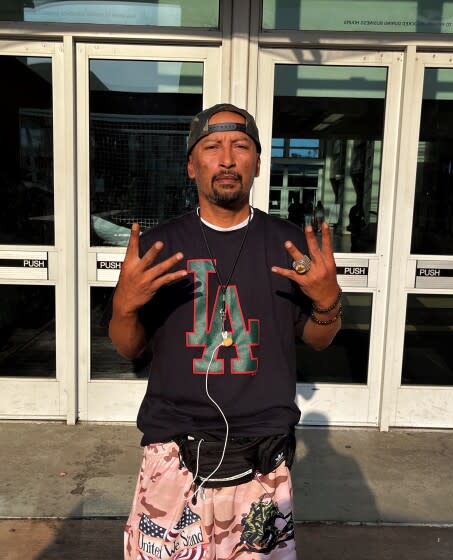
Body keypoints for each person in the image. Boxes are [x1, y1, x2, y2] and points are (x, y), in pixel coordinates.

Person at [110, 103, 342, 559]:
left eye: (241, 147)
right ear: (191, 165)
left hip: (263, 456)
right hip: (173, 451)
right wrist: (123, 307)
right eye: (212, 147)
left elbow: (318, 339)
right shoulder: (160, 247)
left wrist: (326, 300)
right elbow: (129, 347)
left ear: (258, 162)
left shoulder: (290, 243)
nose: (228, 159)